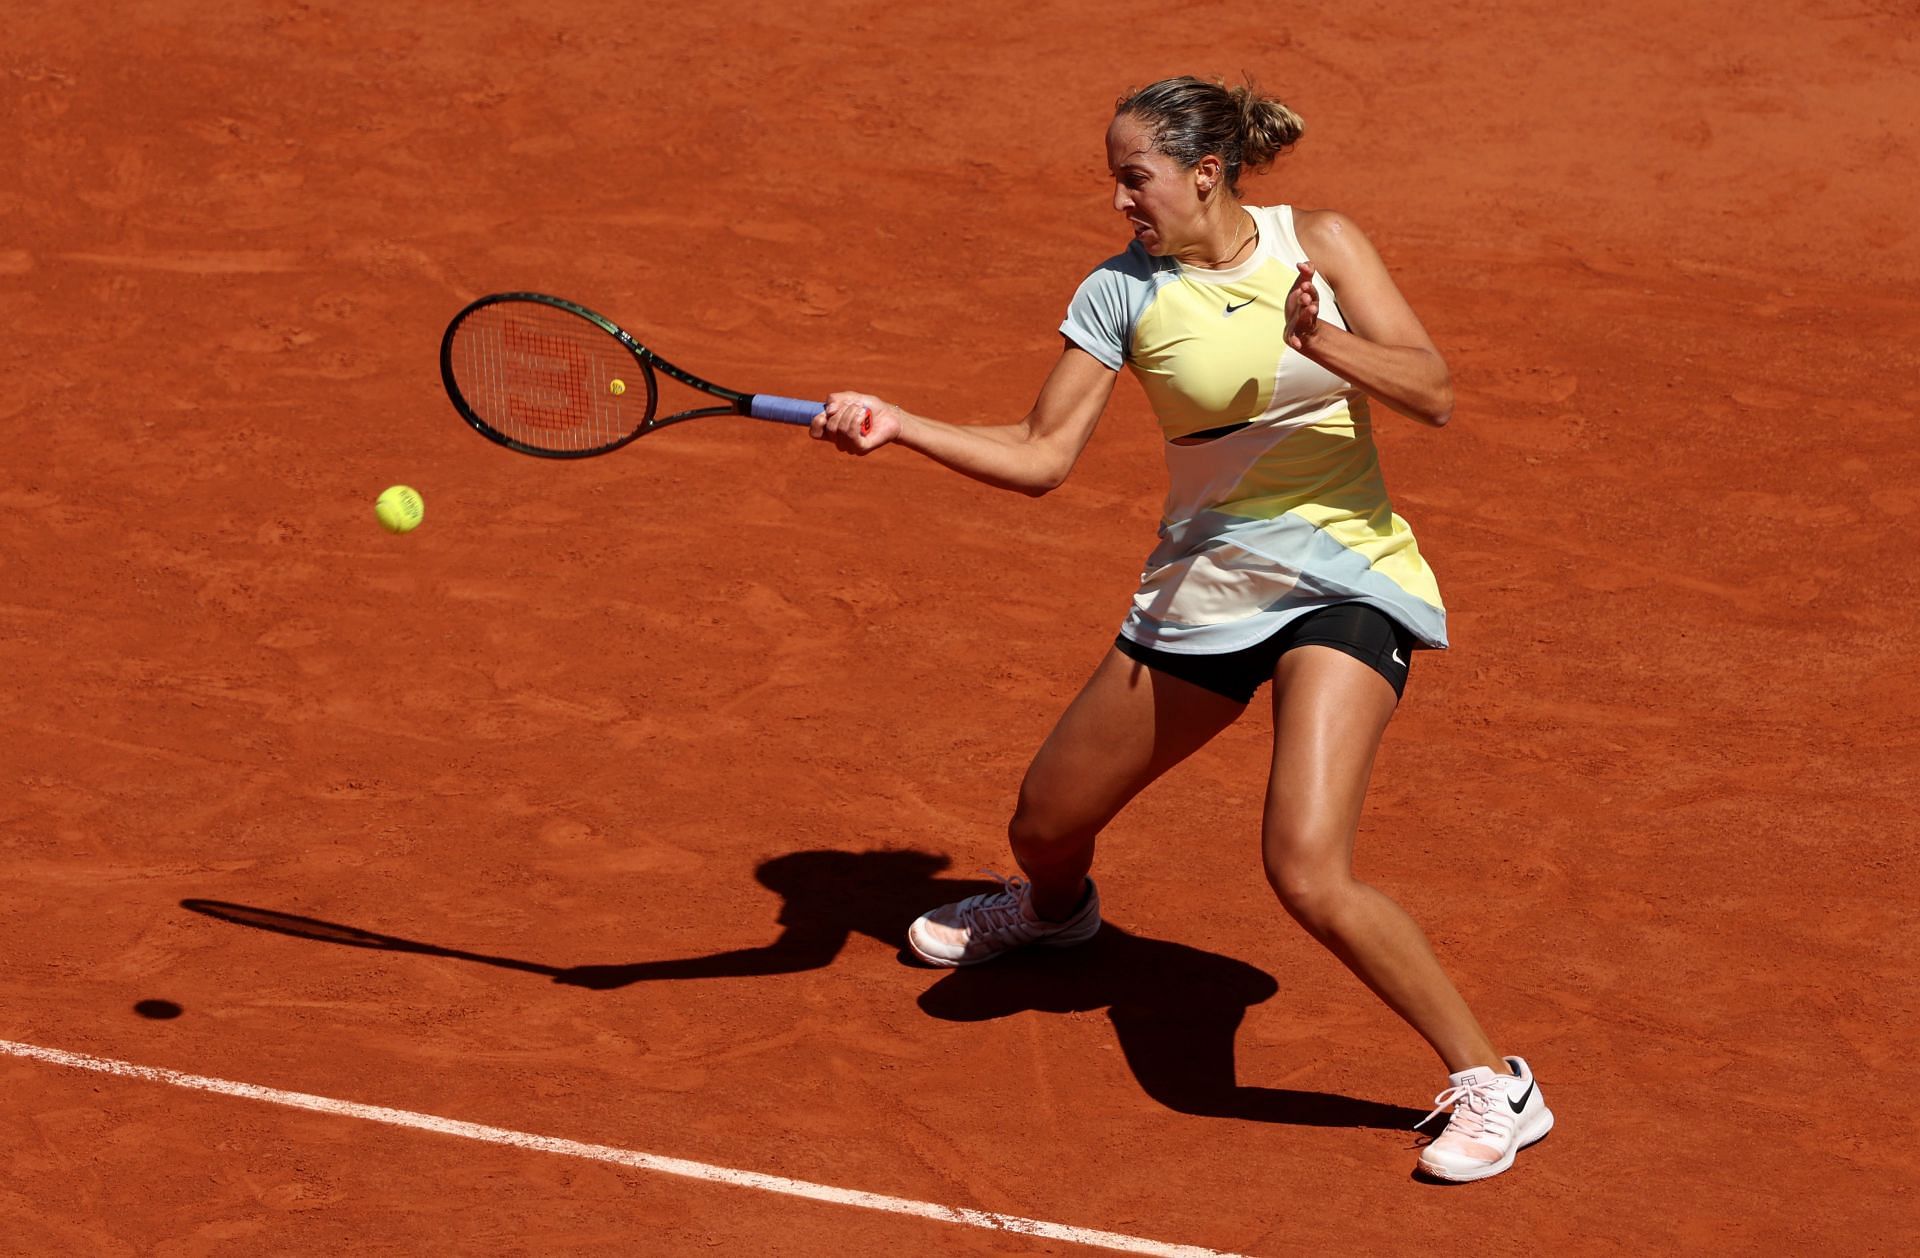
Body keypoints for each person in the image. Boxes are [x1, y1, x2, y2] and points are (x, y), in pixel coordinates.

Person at [809, 75, 1551, 1183]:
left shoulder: (1323, 243)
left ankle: (1494, 1080)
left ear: (1205, 172)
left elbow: (1435, 391)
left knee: (1303, 864)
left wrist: (1326, 343)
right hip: (1202, 590)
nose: (1119, 202)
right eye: (1116, 180)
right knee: (1042, 825)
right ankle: (1056, 915)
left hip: (1345, 580)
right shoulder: (1120, 293)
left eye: (1133, 177)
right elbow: (1039, 456)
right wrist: (900, 424)